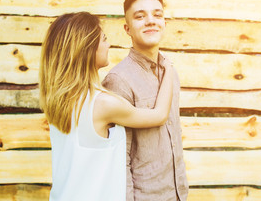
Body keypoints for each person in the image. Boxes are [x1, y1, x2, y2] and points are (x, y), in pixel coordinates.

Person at [39, 11, 174, 201]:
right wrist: (168, 69)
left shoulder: (57, 100)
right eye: (104, 39)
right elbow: (159, 115)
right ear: (87, 48)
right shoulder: (103, 104)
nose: (108, 44)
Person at [102, 0, 189, 200]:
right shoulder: (118, 80)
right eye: (140, 16)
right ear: (127, 28)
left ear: (164, 23)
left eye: (157, 15)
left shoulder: (170, 71)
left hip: (177, 193)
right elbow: (119, 157)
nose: (150, 21)